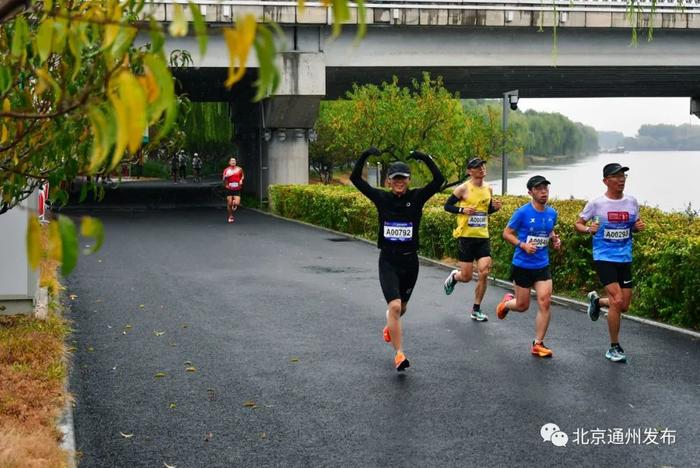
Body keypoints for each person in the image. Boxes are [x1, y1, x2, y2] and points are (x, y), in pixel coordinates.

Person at [350, 147, 445, 371]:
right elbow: (355, 178)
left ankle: (390, 327)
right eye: (395, 179)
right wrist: (364, 154)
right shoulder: (381, 197)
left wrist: (423, 157)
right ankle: (400, 354)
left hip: (410, 262)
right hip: (389, 261)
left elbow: (439, 179)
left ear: (409, 180)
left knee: (401, 309)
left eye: (403, 178)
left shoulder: (417, 197)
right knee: (393, 307)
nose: (400, 182)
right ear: (389, 182)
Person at [574, 163, 645, 363]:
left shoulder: (632, 202)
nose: (621, 179)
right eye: (616, 176)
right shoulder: (597, 204)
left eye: (623, 176)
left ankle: (597, 301)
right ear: (606, 181)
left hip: (625, 258)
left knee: (624, 305)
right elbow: (578, 224)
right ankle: (614, 347)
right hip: (604, 257)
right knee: (617, 300)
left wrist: (638, 226)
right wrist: (589, 229)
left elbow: (634, 225)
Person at [497, 175, 561, 358]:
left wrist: (555, 240)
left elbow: (549, 230)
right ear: (530, 192)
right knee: (522, 305)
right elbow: (506, 233)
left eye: (545, 189)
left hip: (542, 264)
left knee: (545, 301)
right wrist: (522, 245)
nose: (543, 192)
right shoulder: (522, 213)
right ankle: (507, 304)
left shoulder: (552, 213)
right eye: (539, 189)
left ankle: (538, 344)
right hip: (523, 265)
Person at [443, 157, 502, 321]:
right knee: (467, 277)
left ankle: (476, 308)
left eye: (483, 165)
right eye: (477, 167)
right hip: (466, 237)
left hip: (483, 237)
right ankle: (455, 276)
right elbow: (447, 206)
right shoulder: (463, 188)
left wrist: (494, 209)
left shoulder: (489, 188)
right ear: (470, 171)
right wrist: (462, 210)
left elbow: (485, 211)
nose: (482, 168)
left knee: (484, 272)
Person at [222, 157, 244, 223]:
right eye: (231, 161)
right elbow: (223, 178)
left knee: (237, 203)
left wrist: (241, 180)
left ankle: (234, 203)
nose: (233, 162)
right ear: (229, 162)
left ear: (236, 162)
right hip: (229, 188)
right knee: (229, 203)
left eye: (234, 160)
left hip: (237, 188)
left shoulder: (239, 169)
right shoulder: (226, 170)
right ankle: (230, 216)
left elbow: (242, 175)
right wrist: (226, 176)